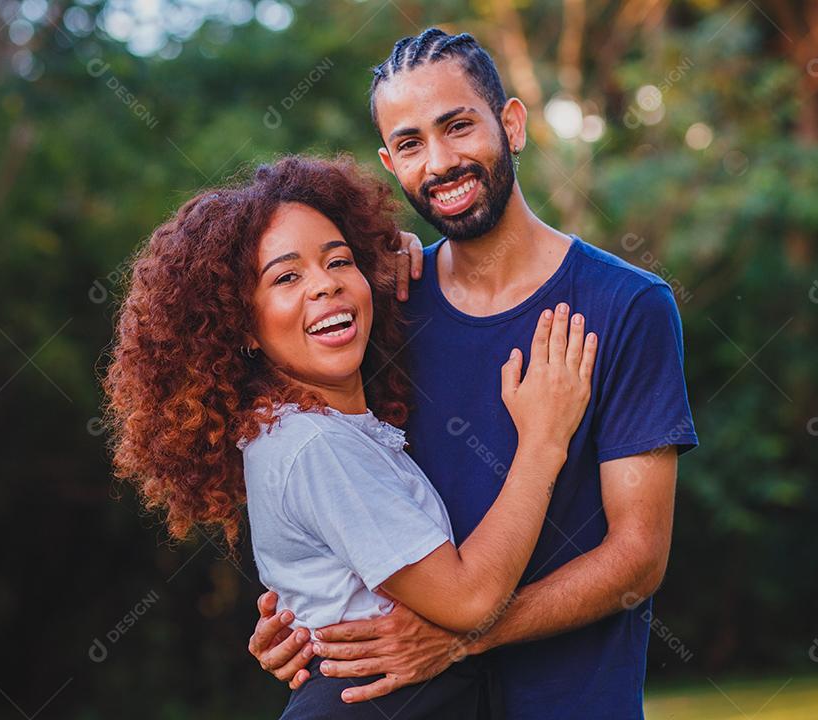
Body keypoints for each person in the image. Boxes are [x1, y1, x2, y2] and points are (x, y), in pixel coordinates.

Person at [248, 28, 700, 719]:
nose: (440, 162)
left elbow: (639, 556)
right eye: (410, 144)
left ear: (510, 124)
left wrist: (463, 638)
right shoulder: (382, 310)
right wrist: (303, 615)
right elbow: (343, 503)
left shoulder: (626, 306)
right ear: (390, 162)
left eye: (458, 126)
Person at [103, 154, 597, 718]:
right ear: (240, 326)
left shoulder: (321, 432)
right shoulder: (315, 446)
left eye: (339, 262)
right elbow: (470, 599)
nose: (326, 286)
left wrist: (404, 255)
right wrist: (543, 441)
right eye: (286, 277)